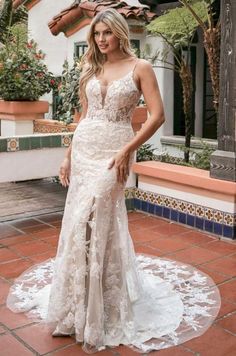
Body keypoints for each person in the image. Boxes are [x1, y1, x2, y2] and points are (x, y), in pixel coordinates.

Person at [7, 8, 220, 354]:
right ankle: (78, 307)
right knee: (78, 224)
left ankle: (104, 309)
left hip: (116, 150)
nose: (101, 40)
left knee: (98, 218)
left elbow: (158, 116)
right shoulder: (92, 67)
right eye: (97, 34)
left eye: (107, 33)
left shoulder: (141, 68)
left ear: (120, 32)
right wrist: (67, 156)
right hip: (86, 149)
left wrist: (126, 152)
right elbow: (83, 117)